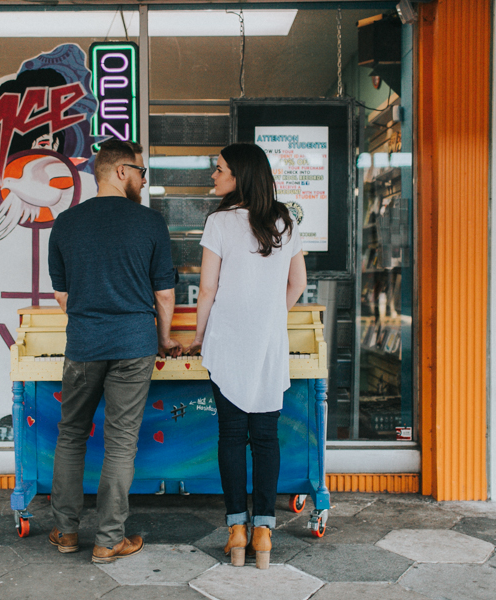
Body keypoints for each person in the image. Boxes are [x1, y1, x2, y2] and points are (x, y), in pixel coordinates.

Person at [47, 139, 182, 563]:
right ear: (121, 171)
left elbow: (62, 297)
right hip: (133, 345)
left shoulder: (66, 223)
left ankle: (67, 532)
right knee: (121, 442)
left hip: (84, 345)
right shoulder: (150, 224)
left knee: (71, 434)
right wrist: (162, 339)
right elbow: (164, 296)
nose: (144, 180)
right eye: (141, 172)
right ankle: (108, 540)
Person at [187, 142, 307, 569]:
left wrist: (201, 336)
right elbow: (297, 284)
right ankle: (264, 533)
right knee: (266, 437)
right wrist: (272, 316)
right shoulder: (284, 221)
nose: (213, 176)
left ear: (238, 175)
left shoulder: (219, 222)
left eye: (218, 169)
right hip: (267, 343)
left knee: (232, 438)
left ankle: (236, 529)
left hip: (227, 341)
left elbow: (207, 290)